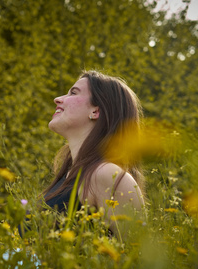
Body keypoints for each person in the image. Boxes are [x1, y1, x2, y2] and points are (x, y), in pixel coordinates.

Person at [43, 70, 146, 238]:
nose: (58, 99)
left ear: (95, 112)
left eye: (73, 92)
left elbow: (138, 254)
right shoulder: (68, 176)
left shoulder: (106, 174)